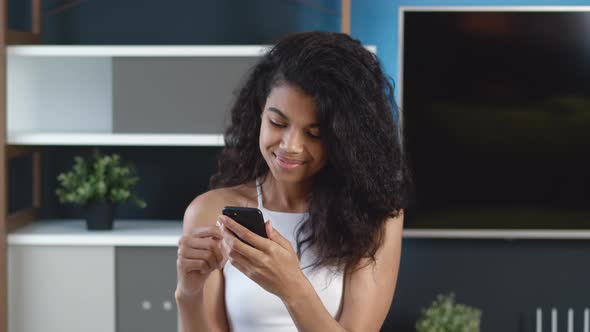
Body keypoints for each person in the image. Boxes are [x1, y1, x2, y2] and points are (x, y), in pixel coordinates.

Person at [175, 31, 411, 332]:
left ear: (345, 140)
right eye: (278, 122)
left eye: (314, 134)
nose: (291, 146)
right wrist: (188, 293)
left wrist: (291, 287)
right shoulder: (210, 210)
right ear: (260, 110)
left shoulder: (375, 215)